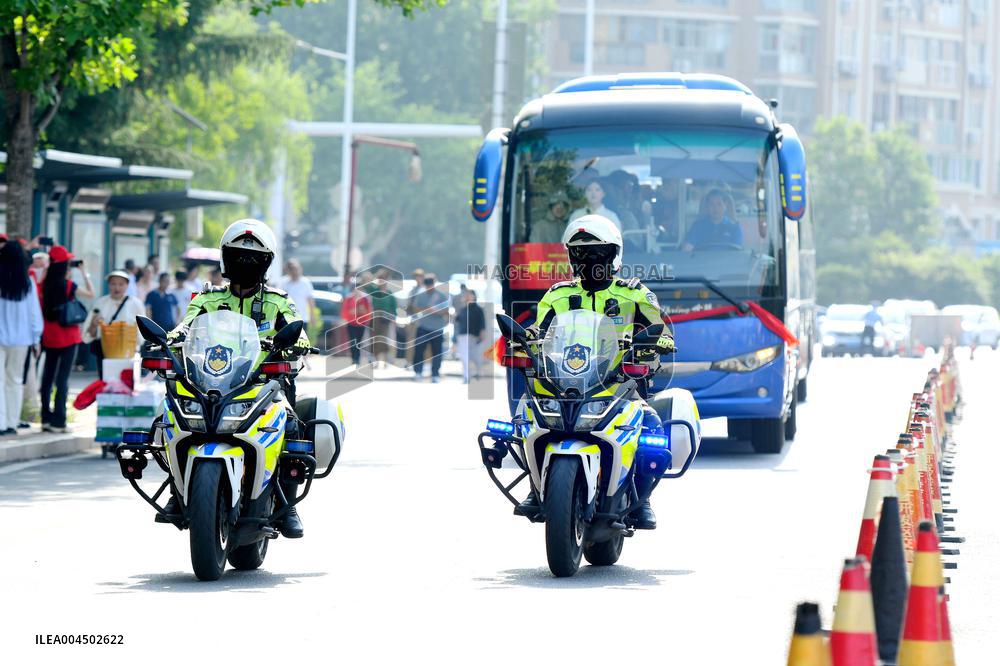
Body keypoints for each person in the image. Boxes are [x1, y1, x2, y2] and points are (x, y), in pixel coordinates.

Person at [514, 214, 675, 530]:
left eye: (599, 253)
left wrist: (660, 341)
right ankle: (536, 488)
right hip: (564, 382)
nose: (590, 261)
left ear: (614, 255)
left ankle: (643, 498)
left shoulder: (634, 293)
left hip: (622, 384)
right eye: (582, 254)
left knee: (653, 426)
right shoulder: (557, 295)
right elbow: (540, 330)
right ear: (572, 257)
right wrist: (526, 339)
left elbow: (662, 327)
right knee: (523, 415)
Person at [167, 219, 311, 538]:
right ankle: (177, 491)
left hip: (264, 384)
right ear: (225, 259)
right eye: (238, 256)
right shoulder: (207, 299)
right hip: (209, 383)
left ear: (266, 263)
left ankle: (287, 505)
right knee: (169, 417)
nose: (245, 263)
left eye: (253, 259)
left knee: (291, 424)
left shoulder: (278, 301)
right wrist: (168, 339)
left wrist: (296, 342)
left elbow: (298, 329)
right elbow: (185, 326)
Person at [40, 246, 94, 433]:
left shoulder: (43, 284)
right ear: (65, 266)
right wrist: (83, 272)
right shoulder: (69, 285)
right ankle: (59, 421)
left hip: (49, 336)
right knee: (62, 379)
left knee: (47, 377)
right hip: (69, 337)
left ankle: (45, 417)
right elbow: (91, 293)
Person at [0, 243, 43, 435]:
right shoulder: (28, 283)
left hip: (0, 338)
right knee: (15, 381)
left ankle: (0, 423)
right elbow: (34, 314)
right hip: (22, 341)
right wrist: (36, 338)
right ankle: (12, 422)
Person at [82, 271, 145, 379]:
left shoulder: (136, 304)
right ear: (109, 285)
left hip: (128, 353)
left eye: (121, 284)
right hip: (105, 353)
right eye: (113, 284)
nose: (117, 287)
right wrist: (94, 324)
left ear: (127, 285)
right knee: (106, 383)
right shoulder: (100, 303)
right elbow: (89, 334)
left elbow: (142, 332)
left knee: (127, 384)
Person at [411, 274, 449, 382]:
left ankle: (435, 374)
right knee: (419, 350)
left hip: (437, 328)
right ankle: (418, 372)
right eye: (427, 285)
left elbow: (446, 311)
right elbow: (415, 308)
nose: (429, 287)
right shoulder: (421, 295)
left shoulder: (441, 296)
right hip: (423, 326)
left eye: (430, 284)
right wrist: (425, 310)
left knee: (436, 352)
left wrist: (435, 311)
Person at [368, 268, 397, 368]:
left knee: (384, 340)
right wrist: (376, 276)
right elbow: (366, 283)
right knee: (374, 340)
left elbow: (394, 309)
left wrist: (394, 319)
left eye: (384, 278)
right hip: (375, 318)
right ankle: (375, 360)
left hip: (386, 319)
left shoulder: (390, 294)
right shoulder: (374, 291)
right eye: (380, 278)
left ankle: (385, 360)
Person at [455, 290, 486, 383]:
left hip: (474, 336)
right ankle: (466, 376)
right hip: (463, 335)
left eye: (469, 295)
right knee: (464, 356)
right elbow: (457, 322)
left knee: (475, 357)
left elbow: (482, 324)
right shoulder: (463, 309)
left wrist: (481, 334)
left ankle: (478, 372)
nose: (467, 297)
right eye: (466, 295)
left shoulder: (478, 309)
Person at [341, 280, 372, 366]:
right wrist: (355, 311)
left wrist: (361, 311)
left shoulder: (365, 299)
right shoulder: (349, 298)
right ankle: (354, 358)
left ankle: (357, 358)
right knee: (352, 341)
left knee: (359, 342)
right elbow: (345, 312)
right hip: (351, 323)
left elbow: (368, 311)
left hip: (361, 323)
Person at [279, 259, 315, 332]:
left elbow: (310, 301)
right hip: (287, 320)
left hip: (302, 319)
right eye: (291, 269)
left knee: (302, 342)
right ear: (288, 270)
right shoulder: (283, 283)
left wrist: (312, 317)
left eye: (296, 268)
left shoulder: (306, 283)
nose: (295, 271)